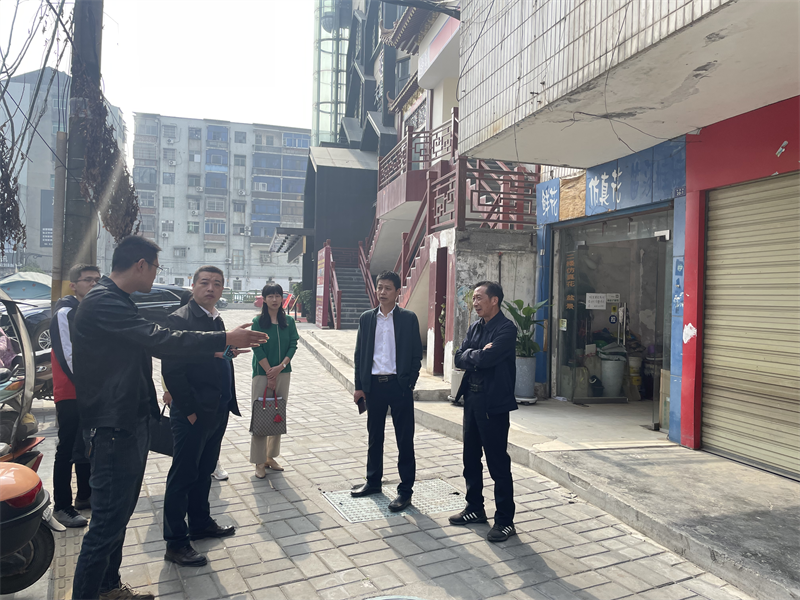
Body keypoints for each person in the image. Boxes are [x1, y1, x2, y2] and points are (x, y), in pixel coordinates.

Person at [71, 236, 268, 600]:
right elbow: (161, 340)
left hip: (129, 421)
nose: (155, 274)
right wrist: (223, 338)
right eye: (156, 267)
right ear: (141, 265)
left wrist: (221, 346)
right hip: (113, 427)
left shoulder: (117, 300)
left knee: (118, 519)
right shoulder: (104, 301)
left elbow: (155, 344)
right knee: (106, 525)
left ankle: (109, 588)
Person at [161, 266, 243, 567]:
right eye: (205, 283)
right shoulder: (180, 320)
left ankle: (200, 522)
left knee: (204, 470)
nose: (211, 288)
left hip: (217, 409)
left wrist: (231, 351)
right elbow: (172, 370)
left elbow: (213, 357)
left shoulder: (215, 318)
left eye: (217, 284)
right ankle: (175, 542)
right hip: (194, 413)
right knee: (183, 476)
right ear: (192, 285)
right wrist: (190, 411)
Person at [448, 281, 518, 543]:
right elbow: (458, 357)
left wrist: (473, 356)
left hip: (493, 404)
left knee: (497, 462)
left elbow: (488, 359)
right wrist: (476, 354)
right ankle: (475, 508)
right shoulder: (476, 327)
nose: (474, 303)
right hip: (472, 399)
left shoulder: (506, 329)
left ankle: (505, 521)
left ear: (494, 300)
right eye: (474, 298)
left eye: (479, 298)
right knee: (470, 457)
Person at [351, 271, 422, 512]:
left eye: (388, 288)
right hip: (374, 386)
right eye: (379, 287)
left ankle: (405, 491)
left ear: (397, 292)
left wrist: (410, 382)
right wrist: (359, 386)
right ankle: (373, 482)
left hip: (399, 386)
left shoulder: (408, 318)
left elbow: (416, 354)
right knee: (375, 437)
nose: (382, 292)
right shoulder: (367, 319)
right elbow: (359, 355)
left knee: (404, 439)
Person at [49, 263, 100, 528]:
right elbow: (68, 355)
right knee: (67, 448)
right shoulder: (65, 312)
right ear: (73, 285)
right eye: (88, 280)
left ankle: (85, 496)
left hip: (90, 391)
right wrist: (88, 386)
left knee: (86, 444)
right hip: (70, 392)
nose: (93, 284)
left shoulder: (89, 311)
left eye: (97, 280)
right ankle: (62, 506)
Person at [249, 283, 299, 477]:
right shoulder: (257, 322)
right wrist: (270, 372)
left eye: (278, 295)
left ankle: (270, 456)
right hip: (262, 373)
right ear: (264, 299)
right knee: (261, 416)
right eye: (270, 296)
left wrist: (281, 367)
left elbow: (293, 344)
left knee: (277, 414)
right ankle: (259, 461)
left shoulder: (289, 321)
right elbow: (256, 347)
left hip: (283, 373)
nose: (274, 299)